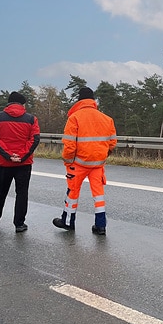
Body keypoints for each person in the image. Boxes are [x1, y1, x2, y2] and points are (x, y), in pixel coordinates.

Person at [52, 87, 117, 236]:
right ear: (93, 100)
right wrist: (102, 155)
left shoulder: (74, 118)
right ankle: (100, 226)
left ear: (79, 100)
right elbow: (112, 142)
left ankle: (68, 222)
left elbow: (69, 145)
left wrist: (68, 162)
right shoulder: (107, 119)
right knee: (98, 195)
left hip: (78, 164)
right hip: (98, 164)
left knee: (73, 192)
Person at [0, 91, 40, 233]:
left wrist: (8, 155)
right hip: (24, 164)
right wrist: (21, 156)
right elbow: (34, 139)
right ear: (22, 104)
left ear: (9, 103)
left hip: (3, 163)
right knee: (22, 193)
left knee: (0, 191)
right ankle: (19, 224)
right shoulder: (31, 119)